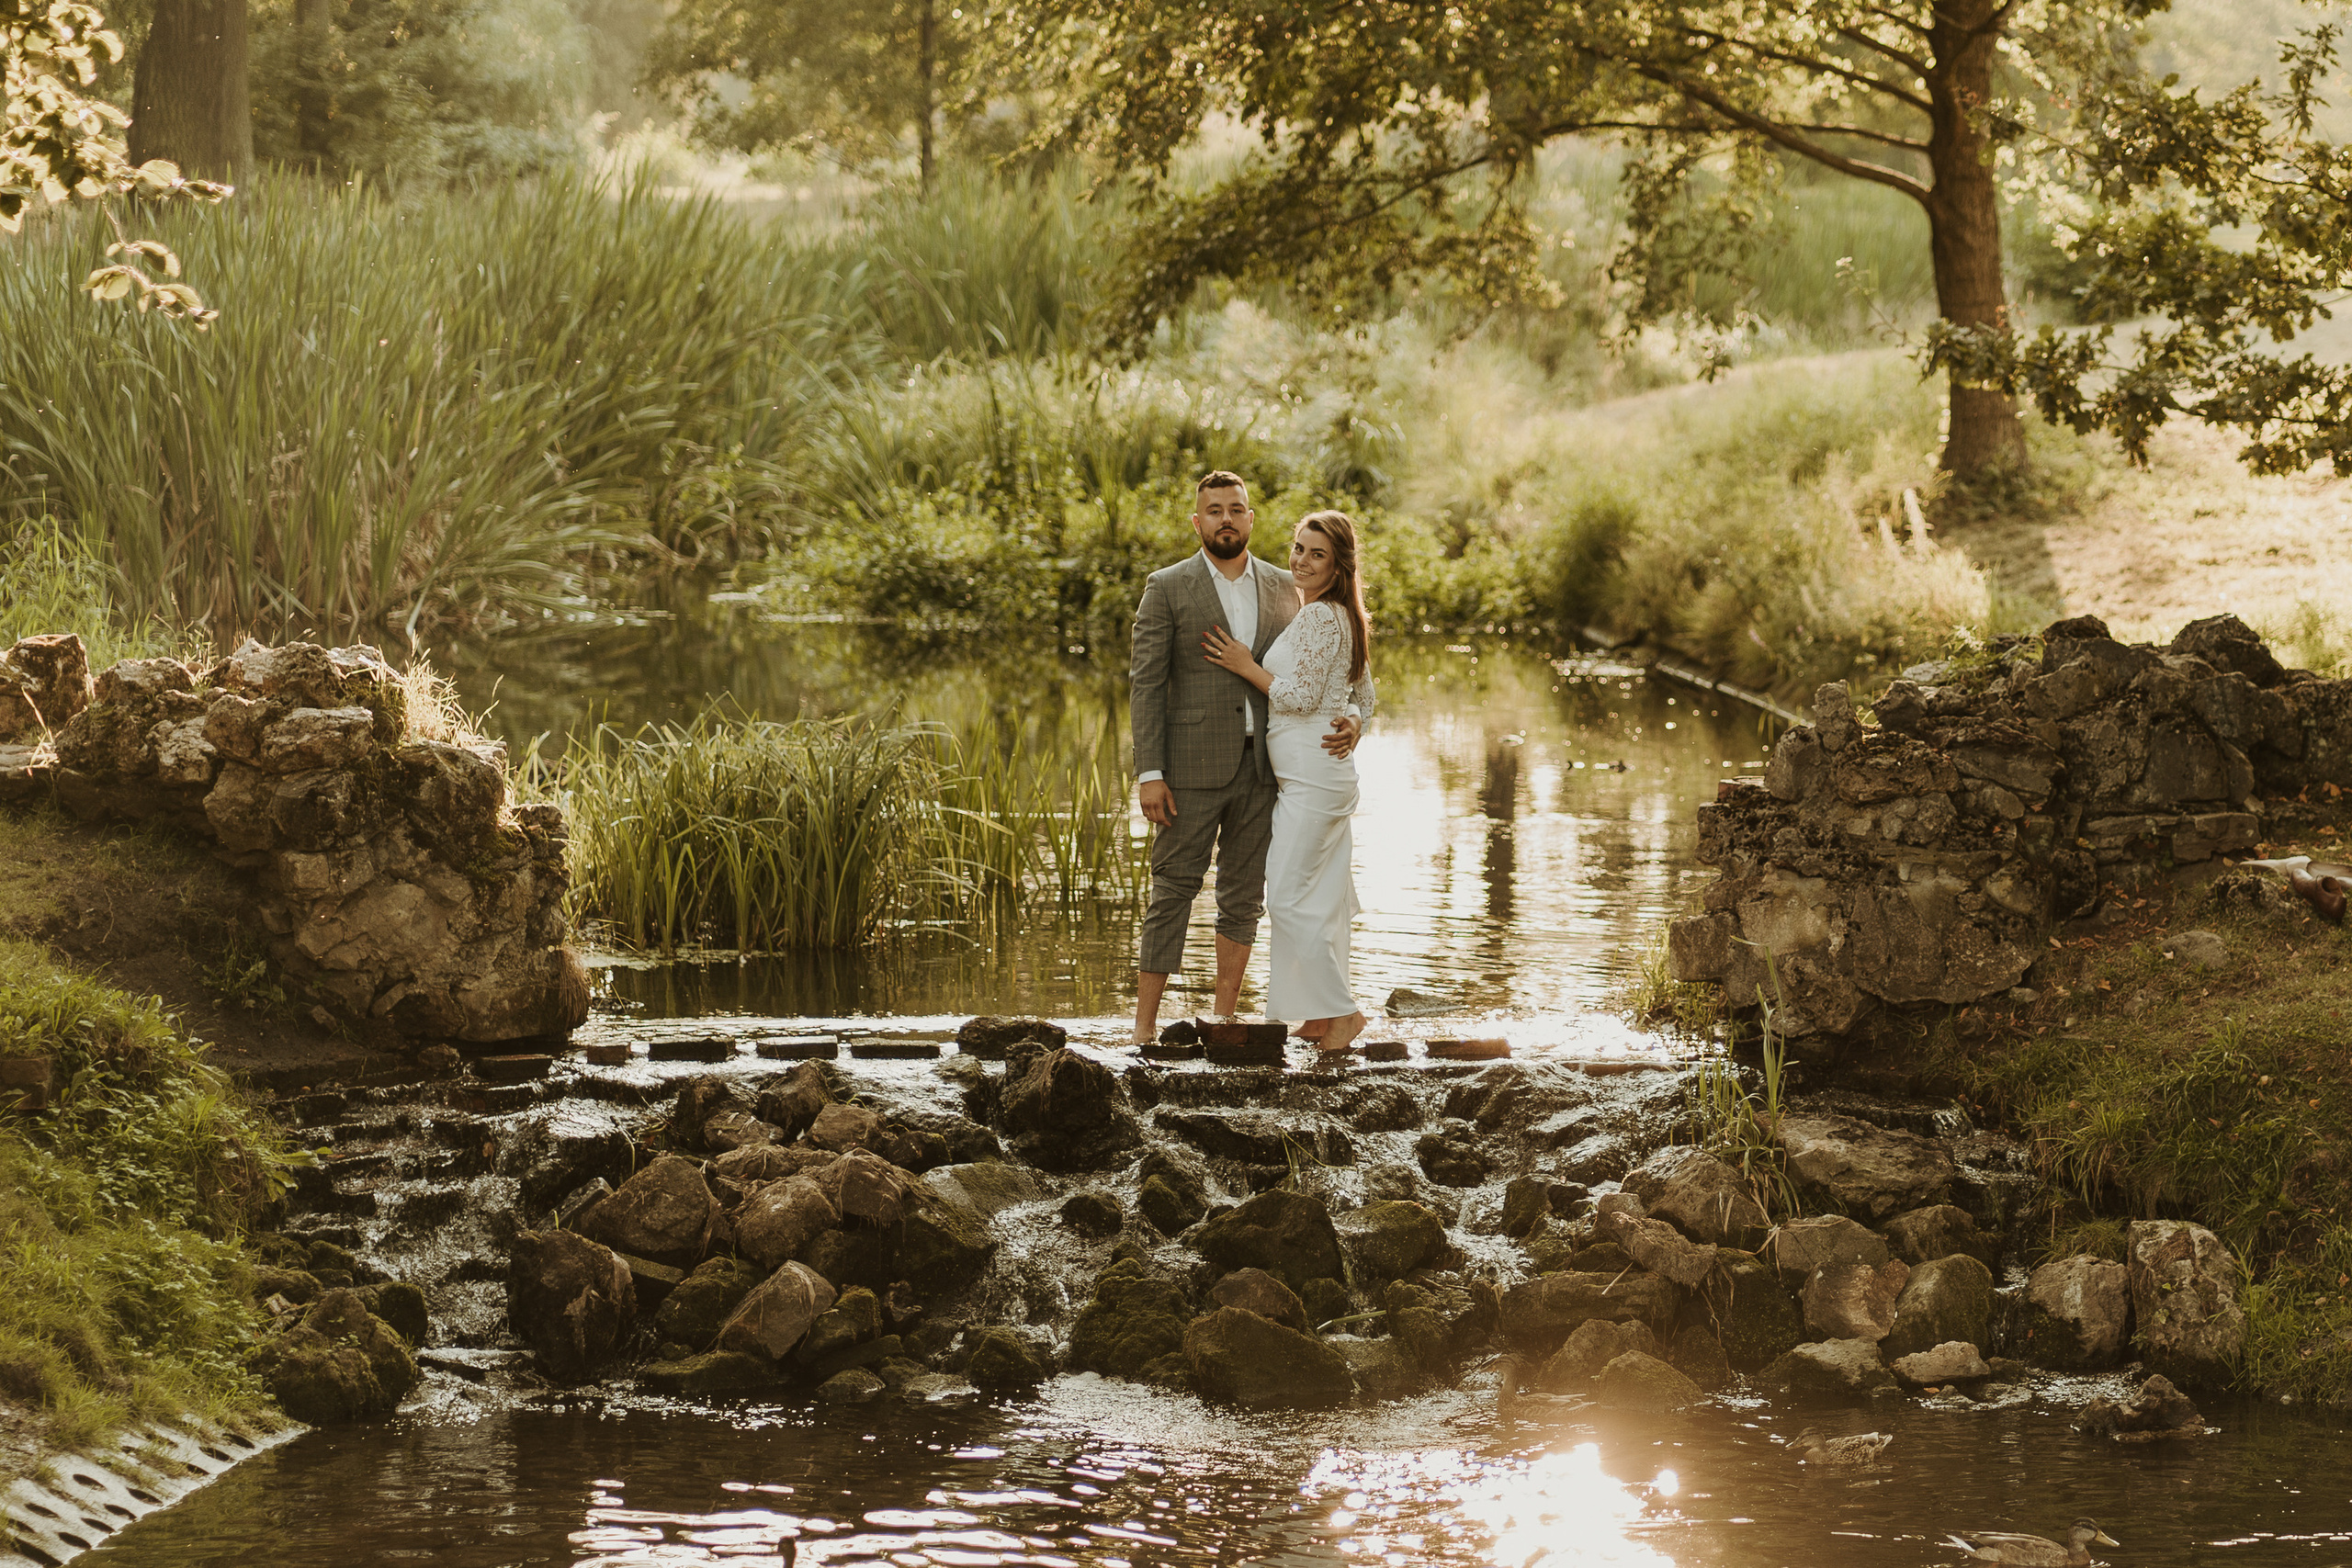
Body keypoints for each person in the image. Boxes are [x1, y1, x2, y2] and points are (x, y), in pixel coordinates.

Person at [1129, 473, 1363, 1045]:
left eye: (1236, 509)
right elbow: (1146, 684)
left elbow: (1344, 668)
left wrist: (1356, 715)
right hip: (1188, 769)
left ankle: (1226, 1019)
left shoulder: (1292, 588)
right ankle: (1141, 1026)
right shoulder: (1168, 586)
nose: (1225, 519)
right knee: (1172, 890)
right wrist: (1150, 771)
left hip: (1267, 774)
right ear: (1198, 522)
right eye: (1214, 511)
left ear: (1251, 519)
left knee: (1245, 898)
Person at [1203, 510, 1375, 1053]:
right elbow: (1365, 698)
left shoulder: (1324, 617)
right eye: (1298, 548)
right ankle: (1320, 1016)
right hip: (1314, 774)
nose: (1300, 560)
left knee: (1287, 895)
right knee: (1320, 896)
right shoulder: (1337, 615)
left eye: (1316, 553)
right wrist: (1355, 722)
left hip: (1314, 778)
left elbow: (1299, 697)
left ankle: (1344, 1012)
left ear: (1339, 564)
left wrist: (1244, 664)